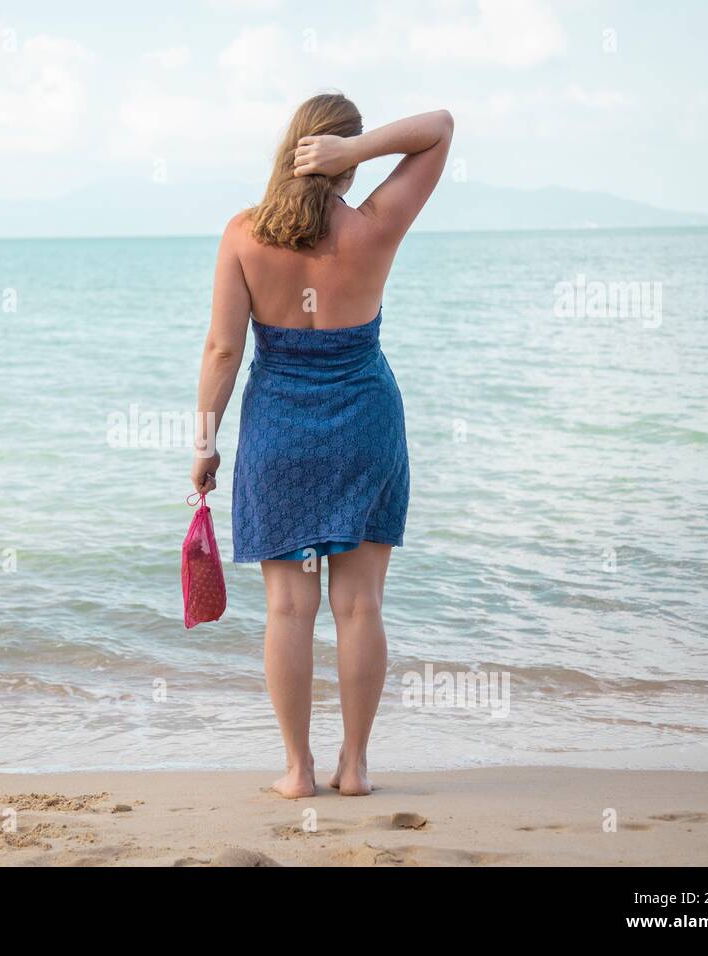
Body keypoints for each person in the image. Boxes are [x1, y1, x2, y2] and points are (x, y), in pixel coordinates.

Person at [191, 92, 453, 798]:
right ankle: (356, 768)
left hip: (280, 430)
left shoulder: (245, 234)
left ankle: (298, 771)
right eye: (351, 148)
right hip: (365, 423)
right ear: (340, 156)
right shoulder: (375, 226)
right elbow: (439, 129)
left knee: (288, 610)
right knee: (361, 606)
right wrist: (359, 156)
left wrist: (206, 444)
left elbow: (223, 351)